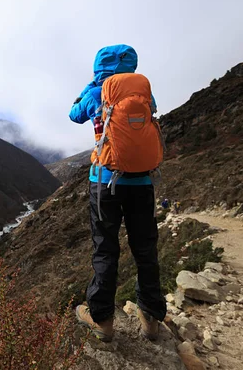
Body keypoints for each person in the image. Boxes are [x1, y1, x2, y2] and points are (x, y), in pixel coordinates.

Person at [69, 45, 166, 342]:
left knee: (106, 249)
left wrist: (93, 84)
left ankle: (102, 321)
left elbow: (74, 115)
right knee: (145, 248)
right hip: (143, 184)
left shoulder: (97, 93)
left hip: (105, 184)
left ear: (99, 67)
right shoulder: (143, 95)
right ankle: (150, 316)